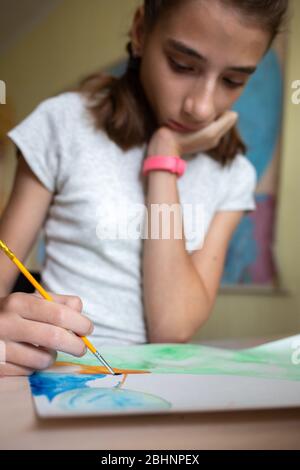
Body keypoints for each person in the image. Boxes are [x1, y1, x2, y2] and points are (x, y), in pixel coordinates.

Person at [0, 0, 288, 376]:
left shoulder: (234, 176)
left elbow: (170, 326)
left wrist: (163, 158)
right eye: (183, 65)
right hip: (54, 377)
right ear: (140, 33)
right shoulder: (63, 124)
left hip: (156, 387)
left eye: (233, 80)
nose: (201, 107)